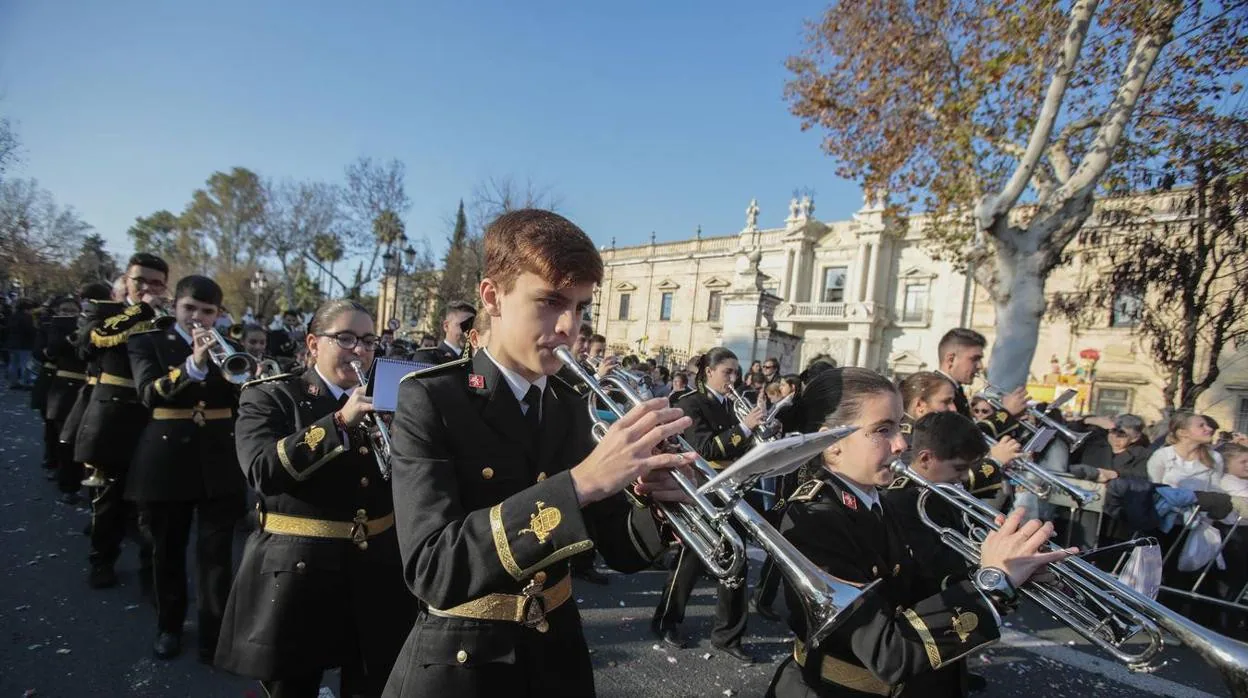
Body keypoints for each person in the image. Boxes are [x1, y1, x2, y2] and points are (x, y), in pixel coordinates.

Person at [383, 209, 692, 697]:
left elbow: (621, 550)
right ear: (493, 297)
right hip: (463, 664)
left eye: (581, 306)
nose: (570, 326)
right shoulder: (433, 398)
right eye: (549, 302)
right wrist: (581, 484)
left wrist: (655, 500)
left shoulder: (571, 404)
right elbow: (432, 568)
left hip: (557, 657)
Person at [765, 367, 1074, 698]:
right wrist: (992, 583)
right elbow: (889, 653)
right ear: (833, 443)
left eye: (900, 427)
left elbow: (915, 591)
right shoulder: (816, 520)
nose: (901, 444)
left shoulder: (876, 501)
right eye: (882, 430)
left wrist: (1008, 571)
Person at [217, 299, 414, 697]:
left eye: (368, 341)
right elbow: (262, 471)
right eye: (345, 338)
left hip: (375, 569)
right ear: (313, 344)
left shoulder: (391, 399)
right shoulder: (272, 396)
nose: (359, 350)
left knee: (372, 683)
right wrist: (339, 422)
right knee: (293, 686)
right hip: (299, 571)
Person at [125, 275, 246, 661]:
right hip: (166, 459)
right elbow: (148, 393)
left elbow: (242, 399)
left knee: (216, 557)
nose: (198, 317)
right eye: (190, 308)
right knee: (168, 550)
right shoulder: (147, 342)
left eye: (207, 311)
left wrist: (247, 380)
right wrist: (193, 364)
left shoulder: (232, 349)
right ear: (175, 306)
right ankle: (169, 626)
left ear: (218, 314)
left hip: (219, 459)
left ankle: (214, 637)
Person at [651, 347, 764, 663]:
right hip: (704, 489)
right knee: (691, 560)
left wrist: (759, 435)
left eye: (736, 372)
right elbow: (703, 446)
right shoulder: (690, 403)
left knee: (737, 558)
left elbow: (740, 447)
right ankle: (666, 620)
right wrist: (745, 428)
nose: (734, 378)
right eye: (727, 372)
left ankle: (728, 634)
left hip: (733, 487)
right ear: (709, 372)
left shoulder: (730, 405)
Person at [76, 253, 168, 590]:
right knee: (109, 499)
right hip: (115, 415)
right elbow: (88, 344)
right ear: (126, 281)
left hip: (155, 420)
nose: (147, 287)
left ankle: (151, 576)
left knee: (153, 506)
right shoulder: (104, 311)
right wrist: (141, 309)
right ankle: (102, 560)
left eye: (155, 282)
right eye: (139, 280)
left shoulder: (171, 319)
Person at [883, 411, 991, 696]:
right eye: (958, 468)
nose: (964, 478)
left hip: (949, 630)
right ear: (927, 458)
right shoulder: (902, 500)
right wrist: (990, 565)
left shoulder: (942, 491)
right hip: (924, 632)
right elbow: (930, 571)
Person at [1148, 411, 1224, 490]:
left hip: (1202, 502)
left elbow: (1216, 490)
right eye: (1201, 426)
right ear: (1183, 432)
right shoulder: (1162, 455)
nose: (1210, 429)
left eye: (1207, 425)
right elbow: (1153, 490)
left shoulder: (1215, 457)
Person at [414, 300, 476, 364]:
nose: (468, 331)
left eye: (472, 326)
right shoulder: (427, 356)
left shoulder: (476, 358)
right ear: (446, 326)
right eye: (464, 325)